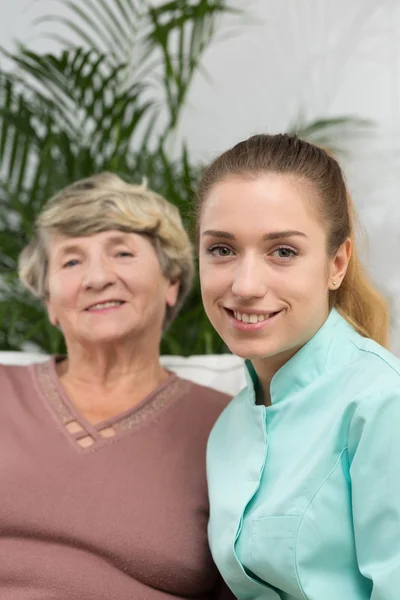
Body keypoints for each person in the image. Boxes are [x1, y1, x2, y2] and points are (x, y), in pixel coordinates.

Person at [0, 171, 235, 600]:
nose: (96, 278)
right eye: (71, 261)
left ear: (171, 282)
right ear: (49, 302)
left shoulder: (229, 425)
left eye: (122, 253)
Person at [196, 133, 400, 599]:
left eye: (282, 251)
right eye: (222, 249)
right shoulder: (229, 427)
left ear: (337, 264)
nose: (245, 285)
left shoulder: (382, 404)